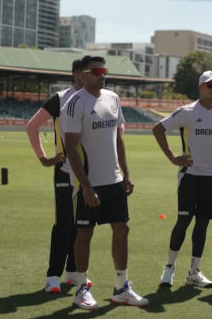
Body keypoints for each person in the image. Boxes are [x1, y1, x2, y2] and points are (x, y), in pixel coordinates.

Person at [61, 55, 148, 310]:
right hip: (90, 182)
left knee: (122, 230)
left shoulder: (113, 98)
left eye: (104, 70)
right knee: (85, 234)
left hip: (114, 180)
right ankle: (82, 288)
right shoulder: (75, 103)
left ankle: (121, 288)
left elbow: (118, 139)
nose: (102, 74)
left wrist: (126, 174)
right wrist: (85, 186)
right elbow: (71, 149)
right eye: (96, 71)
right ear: (84, 75)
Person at [152, 71, 212, 290]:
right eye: (210, 85)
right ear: (201, 87)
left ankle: (194, 271)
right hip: (189, 177)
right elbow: (158, 129)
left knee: (202, 224)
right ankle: (169, 269)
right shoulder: (187, 112)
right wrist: (172, 157)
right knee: (183, 222)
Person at [25, 59, 84, 293]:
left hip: (89, 171)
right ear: (76, 74)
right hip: (65, 169)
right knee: (64, 223)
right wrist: (44, 158)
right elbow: (31, 126)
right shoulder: (60, 98)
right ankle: (52, 276)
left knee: (82, 223)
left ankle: (73, 272)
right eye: (90, 71)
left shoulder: (98, 99)